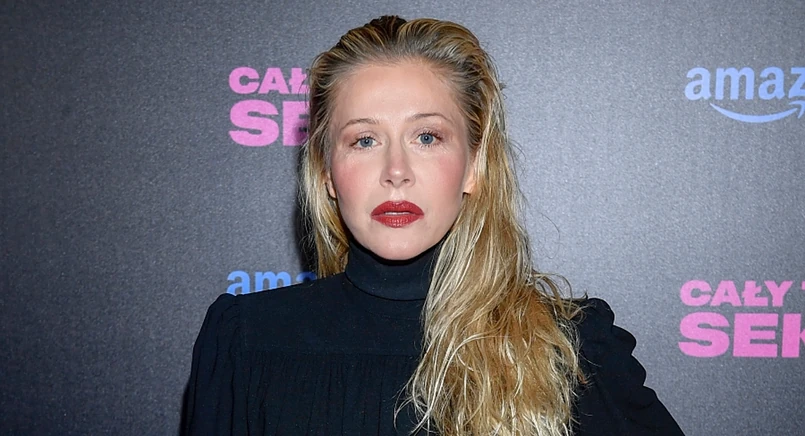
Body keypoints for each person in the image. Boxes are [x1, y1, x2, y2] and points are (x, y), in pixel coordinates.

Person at [182, 15, 684, 436]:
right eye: (364, 140)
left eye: (426, 137)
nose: (396, 171)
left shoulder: (571, 348)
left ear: (474, 166)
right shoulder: (244, 341)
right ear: (327, 173)